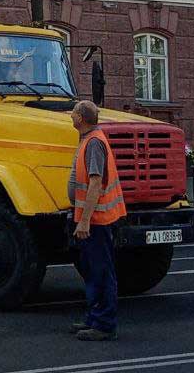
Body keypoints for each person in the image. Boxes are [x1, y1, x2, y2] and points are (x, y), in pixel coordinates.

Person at [68, 99, 125, 342]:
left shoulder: (93, 143)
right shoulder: (90, 139)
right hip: (92, 218)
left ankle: (104, 324)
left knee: (101, 272)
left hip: (97, 220)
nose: (70, 115)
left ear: (81, 118)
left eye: (73, 112)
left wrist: (85, 221)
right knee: (92, 270)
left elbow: (94, 183)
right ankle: (94, 318)